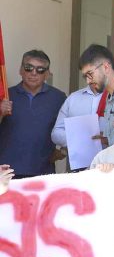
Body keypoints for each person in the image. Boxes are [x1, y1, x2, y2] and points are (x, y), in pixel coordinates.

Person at [0, 50, 66, 178]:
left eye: (40, 69)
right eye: (28, 68)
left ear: (47, 74)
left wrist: (64, 151)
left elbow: (70, 128)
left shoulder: (58, 98)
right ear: (21, 70)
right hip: (7, 172)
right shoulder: (5, 96)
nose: (34, 73)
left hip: (43, 171)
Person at [51, 84, 106, 171]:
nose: (89, 79)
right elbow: (56, 133)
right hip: (79, 169)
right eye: (86, 75)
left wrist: (110, 138)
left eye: (91, 73)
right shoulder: (73, 98)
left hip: (111, 167)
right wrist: (79, 140)